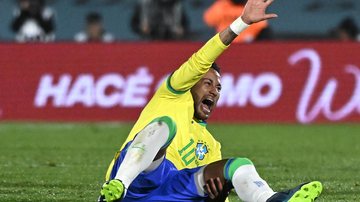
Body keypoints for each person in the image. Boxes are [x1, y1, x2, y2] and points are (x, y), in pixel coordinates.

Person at [99, 0, 323, 201]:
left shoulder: (211, 145)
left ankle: (270, 200)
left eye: (218, 87)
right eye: (207, 83)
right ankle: (118, 185)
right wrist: (242, 22)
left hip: (170, 193)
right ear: (192, 82)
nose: (214, 91)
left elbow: (212, 194)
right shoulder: (172, 95)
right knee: (163, 125)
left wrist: (217, 198)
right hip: (138, 182)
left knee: (238, 165)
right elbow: (202, 58)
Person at [204, 0, 270, 43]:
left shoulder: (252, 4)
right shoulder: (221, 5)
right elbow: (209, 20)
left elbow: (261, 26)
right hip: (224, 41)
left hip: (248, 43)